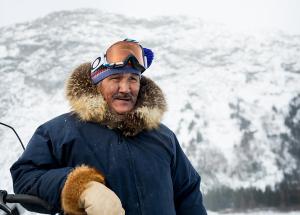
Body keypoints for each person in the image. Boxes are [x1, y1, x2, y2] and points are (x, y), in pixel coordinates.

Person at [10, 39, 207, 215]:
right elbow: (25, 178)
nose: (125, 88)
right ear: (98, 84)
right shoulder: (60, 132)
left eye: (133, 79)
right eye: (115, 79)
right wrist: (80, 187)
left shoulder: (163, 137)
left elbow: (188, 193)